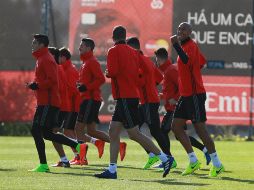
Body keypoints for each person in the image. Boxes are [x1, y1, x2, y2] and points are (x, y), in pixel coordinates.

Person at [94, 26, 173, 179]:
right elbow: (148, 70)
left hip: (124, 96)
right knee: (113, 132)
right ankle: (112, 170)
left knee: (134, 133)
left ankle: (165, 158)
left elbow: (114, 71)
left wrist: (108, 73)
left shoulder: (113, 51)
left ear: (113, 37)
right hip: (129, 96)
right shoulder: (134, 52)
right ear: (124, 36)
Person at [170, 22, 225, 177]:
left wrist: (175, 45)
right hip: (186, 95)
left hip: (194, 95)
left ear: (190, 32)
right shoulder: (189, 47)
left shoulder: (191, 46)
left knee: (200, 130)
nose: (180, 31)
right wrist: (192, 74)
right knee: (176, 127)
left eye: (184, 29)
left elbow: (187, 61)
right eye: (179, 29)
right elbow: (201, 62)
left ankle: (217, 164)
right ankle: (193, 160)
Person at [27, 34, 87, 172]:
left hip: (48, 102)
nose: (33, 45)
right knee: (47, 134)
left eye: (35, 42)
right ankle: (78, 146)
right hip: (47, 101)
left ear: (42, 45)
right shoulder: (42, 58)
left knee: (36, 130)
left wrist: (37, 85)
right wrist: (36, 85)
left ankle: (43, 164)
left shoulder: (46, 59)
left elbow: (52, 81)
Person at [154, 47, 211, 168]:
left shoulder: (170, 70)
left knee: (162, 131)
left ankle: (169, 160)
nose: (156, 63)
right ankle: (205, 149)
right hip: (173, 106)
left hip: (174, 108)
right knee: (178, 135)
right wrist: (164, 96)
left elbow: (182, 85)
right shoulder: (169, 69)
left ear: (160, 59)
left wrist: (177, 99)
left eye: (157, 60)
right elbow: (173, 89)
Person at [126, 37, 176, 170]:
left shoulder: (139, 61)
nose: (125, 51)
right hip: (146, 101)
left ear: (133, 48)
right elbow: (159, 78)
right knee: (133, 131)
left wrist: (145, 87)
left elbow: (141, 81)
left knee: (153, 131)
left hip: (148, 102)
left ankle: (169, 158)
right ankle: (153, 155)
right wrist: (149, 87)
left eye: (127, 48)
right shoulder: (146, 60)